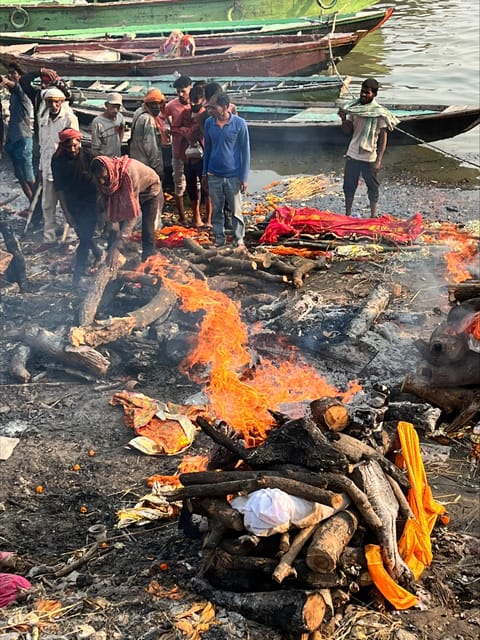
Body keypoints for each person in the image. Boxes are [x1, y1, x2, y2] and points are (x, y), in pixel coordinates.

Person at [338, 77, 399, 218]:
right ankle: (347, 215)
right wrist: (343, 118)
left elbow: (383, 137)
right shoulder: (355, 108)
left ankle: (373, 216)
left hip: (369, 156)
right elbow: (347, 131)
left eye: (367, 93)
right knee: (349, 186)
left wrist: (379, 160)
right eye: (362, 92)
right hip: (353, 153)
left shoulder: (379, 113)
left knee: (372, 187)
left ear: (374, 94)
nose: (363, 95)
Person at [51, 128, 103, 286]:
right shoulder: (58, 160)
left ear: (79, 142)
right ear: (63, 146)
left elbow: (102, 179)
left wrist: (103, 206)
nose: (72, 149)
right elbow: (58, 188)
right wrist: (66, 212)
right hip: (73, 201)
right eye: (68, 147)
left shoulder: (90, 156)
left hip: (91, 201)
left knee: (85, 240)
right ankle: (98, 253)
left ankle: (77, 275)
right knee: (82, 233)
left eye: (75, 145)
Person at [90, 155, 163, 267]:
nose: (102, 181)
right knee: (116, 229)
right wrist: (110, 223)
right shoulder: (103, 179)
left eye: (104, 177)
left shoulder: (128, 175)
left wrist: (118, 244)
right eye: (98, 178)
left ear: (109, 171)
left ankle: (149, 261)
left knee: (147, 229)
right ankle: (115, 261)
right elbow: (105, 202)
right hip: (125, 191)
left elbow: (132, 214)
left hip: (150, 189)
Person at [202, 91, 250, 248]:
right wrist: (204, 173)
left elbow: (245, 152)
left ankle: (239, 239)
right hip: (213, 174)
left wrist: (244, 177)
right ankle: (219, 238)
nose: (210, 110)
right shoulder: (209, 123)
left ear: (224, 107)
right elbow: (207, 149)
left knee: (236, 210)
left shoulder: (239, 124)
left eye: (213, 108)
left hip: (233, 175)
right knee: (217, 209)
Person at [38, 87, 79, 244]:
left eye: (56, 102)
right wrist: (41, 168)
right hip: (48, 166)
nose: (53, 105)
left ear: (61, 102)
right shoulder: (44, 117)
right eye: (50, 102)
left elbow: (75, 144)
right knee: (47, 204)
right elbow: (43, 144)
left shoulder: (69, 118)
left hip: (64, 167)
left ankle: (70, 237)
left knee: (67, 204)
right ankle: (49, 238)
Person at [177, 83, 211, 228]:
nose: (193, 103)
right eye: (192, 100)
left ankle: (208, 220)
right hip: (188, 157)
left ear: (202, 99)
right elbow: (175, 127)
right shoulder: (185, 114)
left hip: (204, 157)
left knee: (206, 189)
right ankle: (196, 218)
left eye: (196, 100)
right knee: (191, 188)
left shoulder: (206, 115)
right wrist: (185, 131)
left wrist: (194, 131)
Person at [1, 63, 35, 203]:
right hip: (12, 139)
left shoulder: (23, 94)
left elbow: (15, 87)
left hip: (23, 138)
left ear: (20, 76)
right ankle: (32, 203)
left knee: (28, 174)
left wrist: (5, 80)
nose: (10, 75)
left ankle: (39, 205)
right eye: (9, 73)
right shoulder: (12, 97)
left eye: (13, 73)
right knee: (19, 175)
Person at [164, 75, 192, 224]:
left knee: (198, 184)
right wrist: (166, 130)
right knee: (179, 182)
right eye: (178, 92)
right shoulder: (172, 105)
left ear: (190, 88)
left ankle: (197, 216)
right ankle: (182, 217)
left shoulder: (196, 104)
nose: (180, 95)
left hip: (195, 152)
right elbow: (161, 118)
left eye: (183, 91)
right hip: (177, 150)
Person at [129, 88, 168, 179]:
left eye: (159, 103)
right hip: (146, 164)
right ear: (148, 104)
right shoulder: (148, 119)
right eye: (154, 104)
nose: (157, 107)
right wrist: (157, 168)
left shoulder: (138, 112)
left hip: (136, 160)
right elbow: (151, 146)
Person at [91, 92, 125, 158]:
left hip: (117, 158)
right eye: (113, 106)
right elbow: (95, 149)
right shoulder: (97, 122)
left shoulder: (120, 118)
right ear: (106, 105)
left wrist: (119, 143)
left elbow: (122, 129)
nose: (115, 110)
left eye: (118, 107)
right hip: (105, 160)